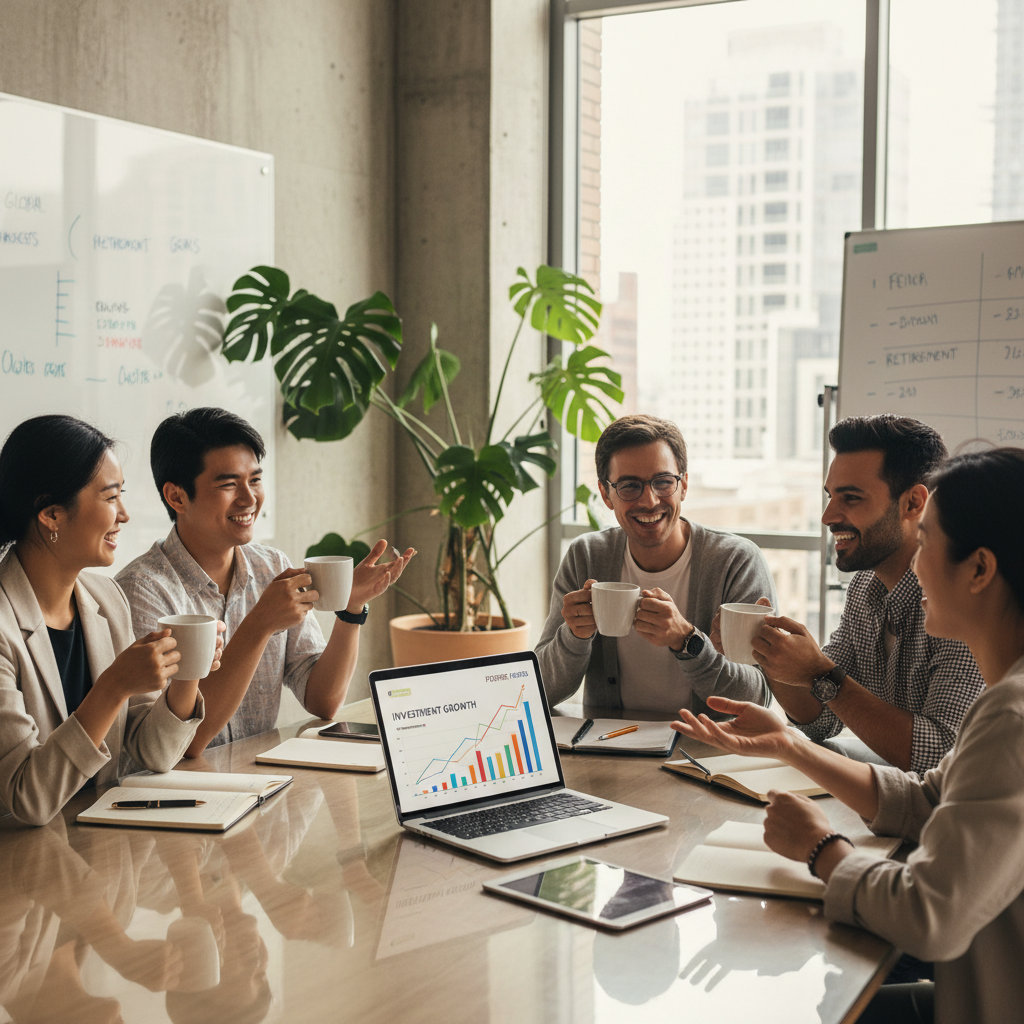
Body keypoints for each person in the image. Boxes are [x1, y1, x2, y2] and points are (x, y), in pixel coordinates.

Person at [672, 446, 1024, 1024]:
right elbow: (929, 800)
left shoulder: (1011, 717)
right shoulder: (1003, 695)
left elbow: (928, 917)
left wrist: (820, 849)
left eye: (928, 540)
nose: (916, 564)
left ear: (980, 570)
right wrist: (791, 744)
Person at [116, 407, 414, 754]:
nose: (249, 498)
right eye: (229, 484)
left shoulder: (271, 566)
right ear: (177, 496)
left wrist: (351, 609)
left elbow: (323, 701)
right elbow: (181, 745)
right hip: (177, 796)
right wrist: (260, 624)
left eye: (255, 480)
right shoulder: (140, 592)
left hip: (258, 782)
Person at [0, 415, 211, 827]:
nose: (124, 514)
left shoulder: (105, 598)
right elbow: (28, 798)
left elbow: (155, 752)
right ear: (52, 515)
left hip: (100, 853)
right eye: (110, 497)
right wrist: (114, 685)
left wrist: (187, 671)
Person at [749, 415, 983, 772]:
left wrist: (821, 673)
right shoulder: (866, 588)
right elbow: (821, 718)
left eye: (851, 498)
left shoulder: (963, 600)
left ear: (913, 504)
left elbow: (940, 755)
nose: (828, 516)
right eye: (830, 497)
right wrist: (767, 652)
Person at [536, 414, 777, 714]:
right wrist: (574, 637)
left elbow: (758, 696)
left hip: (705, 754)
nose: (649, 501)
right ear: (606, 494)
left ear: (684, 486)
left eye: (663, 482)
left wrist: (687, 641)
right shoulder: (587, 556)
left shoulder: (736, 562)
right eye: (629, 486)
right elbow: (539, 690)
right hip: (609, 750)